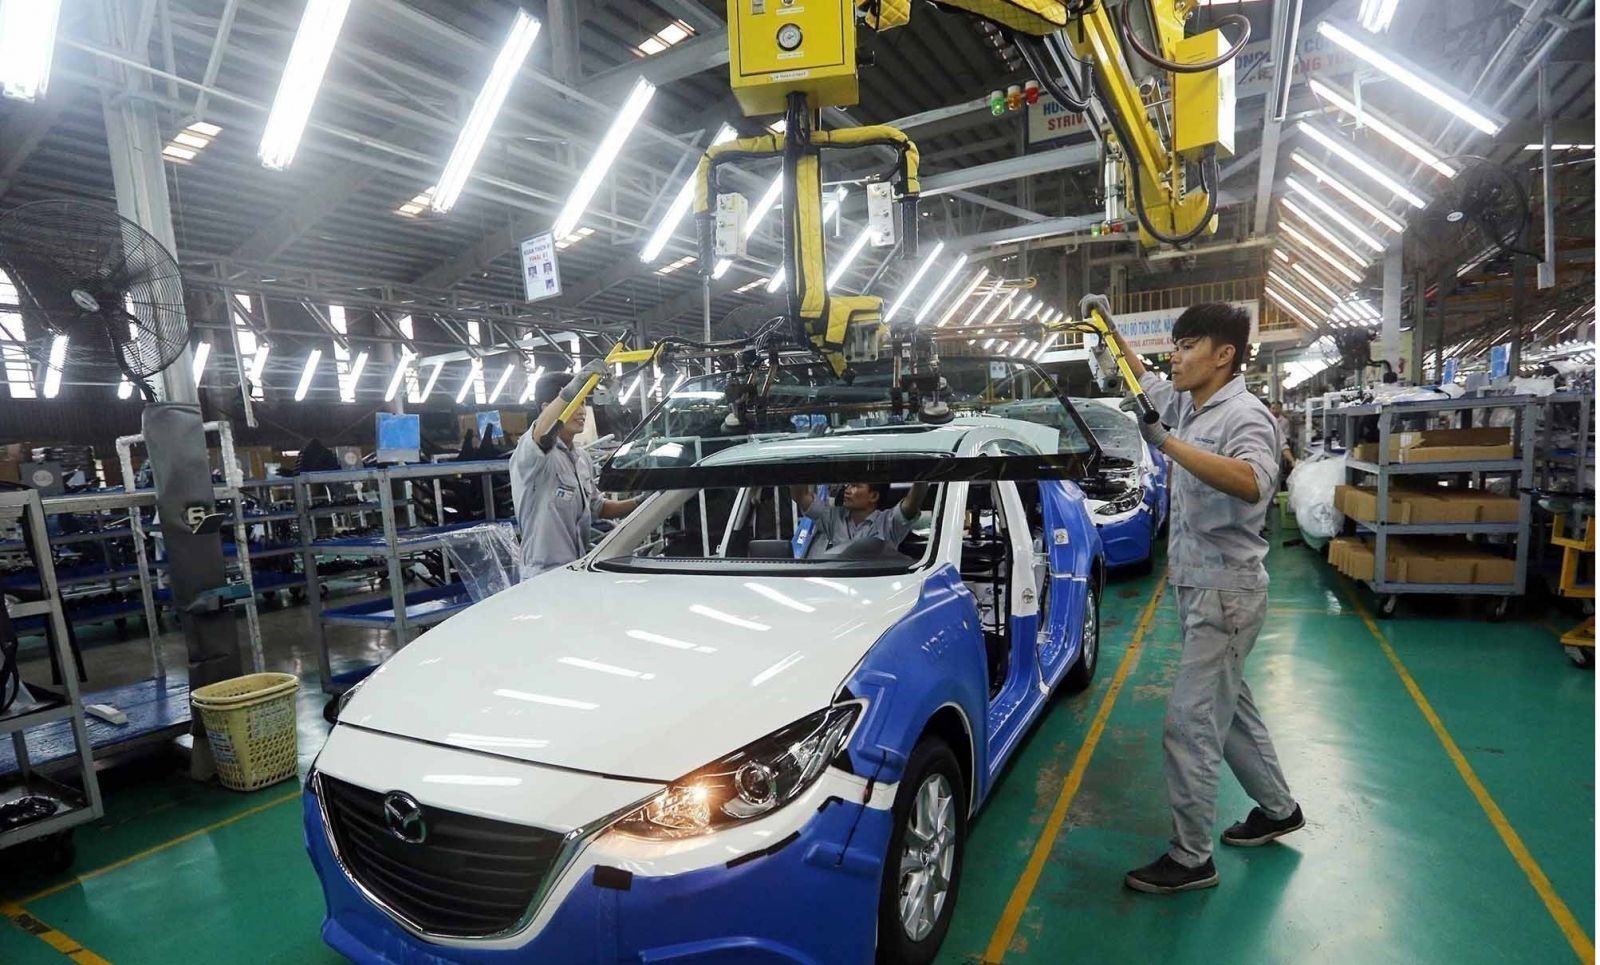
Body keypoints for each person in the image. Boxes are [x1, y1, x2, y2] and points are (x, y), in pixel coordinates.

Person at [1102, 300, 1303, 895]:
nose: (1176, 356)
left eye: (1188, 346)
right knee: (1230, 710)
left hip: (1226, 591)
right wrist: (1108, 329)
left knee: (1190, 725)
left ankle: (1192, 859)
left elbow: (1252, 482)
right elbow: (1142, 380)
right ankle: (1278, 809)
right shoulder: (1188, 402)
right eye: (1176, 344)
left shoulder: (1245, 415)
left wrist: (1167, 444)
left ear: (1224, 355)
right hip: (1198, 585)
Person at [510, 362, 639, 580]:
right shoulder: (532, 455)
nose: (582, 412)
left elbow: (599, 507)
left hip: (577, 571)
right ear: (546, 408)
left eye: (583, 403)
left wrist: (642, 502)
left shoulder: (581, 458)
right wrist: (574, 386)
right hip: (542, 577)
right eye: (575, 403)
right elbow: (542, 432)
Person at [789, 482, 928, 558]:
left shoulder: (889, 522)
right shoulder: (833, 518)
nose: (847, 490)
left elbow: (912, 502)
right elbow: (801, 497)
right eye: (848, 486)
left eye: (855, 486)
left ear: (873, 496)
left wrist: (921, 475)